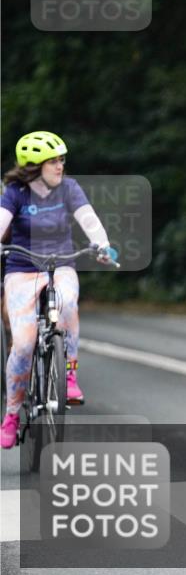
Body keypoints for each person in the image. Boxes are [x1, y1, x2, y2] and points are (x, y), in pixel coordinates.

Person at [0, 131, 114, 449]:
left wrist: (102, 245)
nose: (60, 165)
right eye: (53, 161)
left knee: (67, 304)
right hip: (21, 270)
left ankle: (70, 374)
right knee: (23, 344)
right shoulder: (15, 193)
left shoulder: (69, 188)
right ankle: (11, 415)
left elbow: (88, 220)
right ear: (34, 166)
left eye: (61, 159)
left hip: (61, 264)